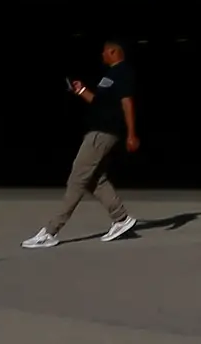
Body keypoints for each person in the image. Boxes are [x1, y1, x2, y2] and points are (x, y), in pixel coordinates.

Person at [25, 39, 140, 248]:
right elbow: (98, 102)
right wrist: (81, 90)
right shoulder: (109, 76)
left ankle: (50, 232)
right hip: (97, 132)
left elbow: (127, 102)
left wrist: (132, 133)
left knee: (77, 179)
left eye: (104, 52)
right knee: (94, 179)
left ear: (113, 51)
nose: (102, 55)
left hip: (103, 133)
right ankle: (122, 219)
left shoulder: (123, 72)